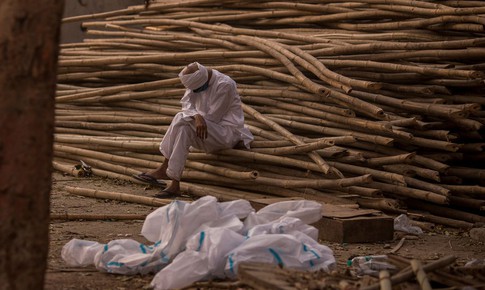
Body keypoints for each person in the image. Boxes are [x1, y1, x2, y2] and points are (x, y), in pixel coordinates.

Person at [133, 62, 253, 197]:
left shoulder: (224, 84)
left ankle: (164, 168)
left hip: (225, 133)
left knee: (180, 117)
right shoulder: (196, 80)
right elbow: (186, 103)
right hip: (203, 130)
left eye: (196, 90)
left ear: (203, 81)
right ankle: (175, 184)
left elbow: (213, 117)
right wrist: (196, 115)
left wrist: (195, 116)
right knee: (183, 130)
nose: (194, 92)